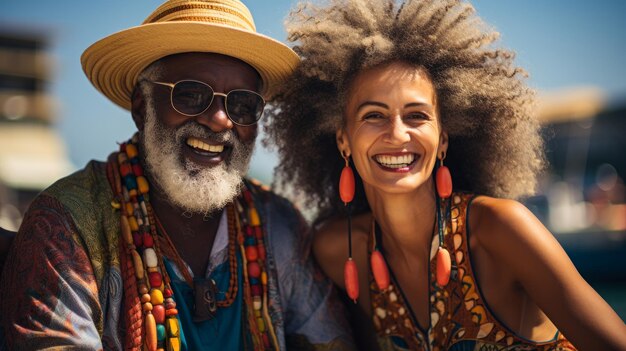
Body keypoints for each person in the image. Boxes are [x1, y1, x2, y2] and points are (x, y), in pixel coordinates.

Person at [265, 0, 626, 350]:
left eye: (417, 115)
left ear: (443, 141)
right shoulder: (335, 250)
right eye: (374, 115)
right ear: (343, 140)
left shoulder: (498, 230)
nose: (397, 134)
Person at [0, 1, 353, 350]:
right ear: (143, 106)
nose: (219, 120)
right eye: (191, 95)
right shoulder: (66, 225)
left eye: (242, 104)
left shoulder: (279, 225)